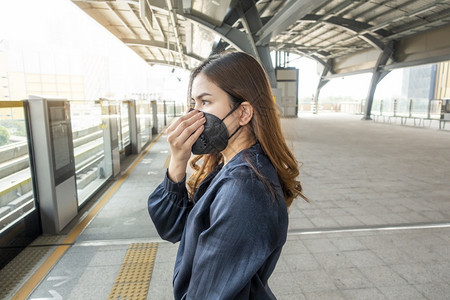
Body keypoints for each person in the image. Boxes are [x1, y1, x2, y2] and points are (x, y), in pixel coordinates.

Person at [148, 51, 308, 299]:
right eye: (193, 103)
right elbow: (172, 227)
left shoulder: (245, 188)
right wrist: (178, 161)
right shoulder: (226, 164)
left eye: (205, 102)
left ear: (243, 113)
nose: (193, 115)